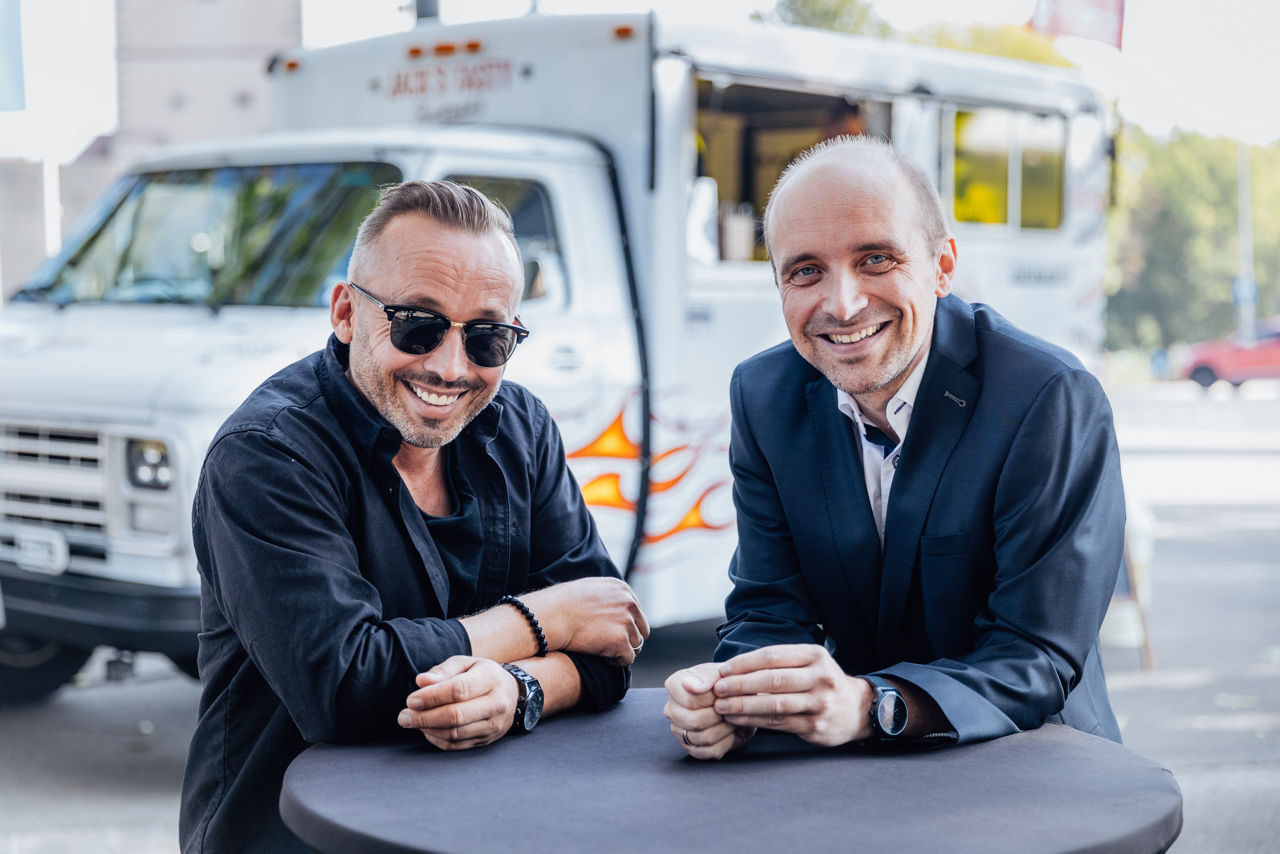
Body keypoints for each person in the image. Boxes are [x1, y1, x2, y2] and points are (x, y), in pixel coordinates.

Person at [180, 180, 649, 853]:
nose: (451, 366)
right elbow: (346, 687)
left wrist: (518, 688)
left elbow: (610, 643)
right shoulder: (267, 454)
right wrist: (542, 622)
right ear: (346, 313)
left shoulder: (522, 428)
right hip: (293, 836)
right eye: (417, 323)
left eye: (488, 337)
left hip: (473, 829)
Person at [664, 136, 1124, 758]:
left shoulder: (1048, 398)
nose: (843, 304)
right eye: (806, 271)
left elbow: (1035, 654)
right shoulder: (763, 395)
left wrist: (870, 706)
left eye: (876, 259)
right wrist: (735, 697)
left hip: (1030, 761)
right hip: (857, 773)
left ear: (942, 267)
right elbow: (769, 607)